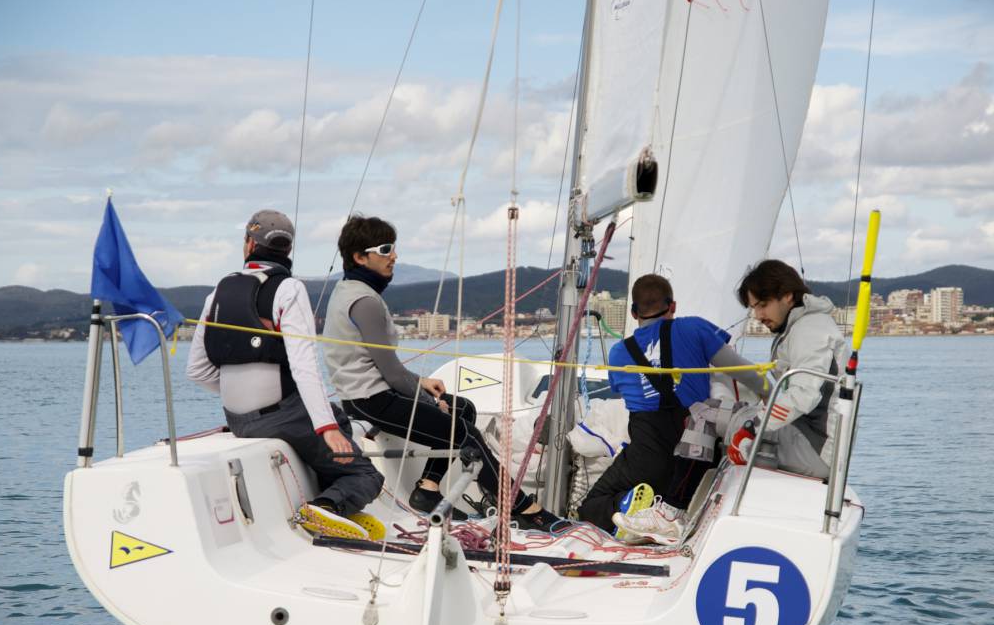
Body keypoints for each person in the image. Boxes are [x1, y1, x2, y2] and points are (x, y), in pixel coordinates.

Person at [322, 214, 561, 529]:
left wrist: (421, 383)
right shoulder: (364, 301)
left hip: (373, 392)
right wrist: (429, 401)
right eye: (384, 249)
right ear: (359, 257)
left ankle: (428, 489)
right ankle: (521, 506)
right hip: (370, 400)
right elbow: (391, 372)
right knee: (463, 433)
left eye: (393, 247)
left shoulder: (351, 290)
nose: (393, 255)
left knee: (465, 408)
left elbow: (378, 363)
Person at [187, 210, 384, 540]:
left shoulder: (217, 293)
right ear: (287, 251)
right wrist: (326, 429)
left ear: (249, 244)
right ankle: (327, 507)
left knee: (338, 417)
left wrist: (242, 393)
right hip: (282, 416)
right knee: (366, 475)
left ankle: (334, 493)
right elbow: (304, 366)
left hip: (237, 419)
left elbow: (197, 371)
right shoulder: (289, 289)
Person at [577, 274, 766, 544]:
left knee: (590, 507)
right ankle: (653, 514)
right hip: (693, 456)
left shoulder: (619, 353)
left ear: (633, 313)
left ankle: (626, 505)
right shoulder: (695, 328)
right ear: (673, 306)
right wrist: (772, 396)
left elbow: (621, 389)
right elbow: (744, 371)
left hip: (646, 455)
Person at [729, 259, 848, 479]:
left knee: (722, 419)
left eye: (762, 305)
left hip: (815, 450)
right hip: (812, 441)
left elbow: (802, 395)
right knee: (733, 415)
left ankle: (673, 506)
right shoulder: (801, 326)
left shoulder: (810, 330)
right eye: (754, 308)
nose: (757, 315)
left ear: (788, 296)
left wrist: (752, 426)